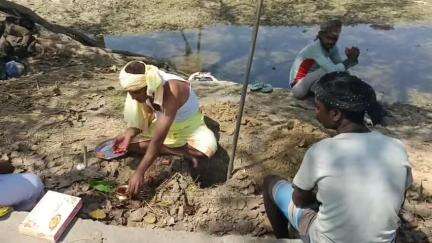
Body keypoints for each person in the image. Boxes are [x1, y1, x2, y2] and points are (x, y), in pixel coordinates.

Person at [263, 72, 412, 243]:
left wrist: (319, 199)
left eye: (318, 107)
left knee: (270, 182)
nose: (315, 113)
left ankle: (284, 237)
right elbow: (399, 201)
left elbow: (299, 199)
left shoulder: (321, 151)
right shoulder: (396, 147)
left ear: (335, 114)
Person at [115, 61, 218, 197]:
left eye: (136, 93)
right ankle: (163, 149)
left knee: (205, 150)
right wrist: (130, 133)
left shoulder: (171, 91)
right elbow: (143, 116)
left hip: (189, 126)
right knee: (123, 143)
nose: (132, 97)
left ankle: (158, 149)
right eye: (130, 92)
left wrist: (140, 172)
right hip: (161, 125)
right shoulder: (140, 88)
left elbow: (158, 139)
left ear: (148, 87)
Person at [289, 19, 360, 99]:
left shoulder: (333, 48)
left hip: (311, 82)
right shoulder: (314, 48)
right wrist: (349, 61)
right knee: (327, 70)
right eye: (328, 38)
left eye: (334, 39)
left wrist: (351, 63)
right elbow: (332, 70)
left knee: (338, 73)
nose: (331, 42)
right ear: (320, 35)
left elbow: (340, 66)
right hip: (298, 87)